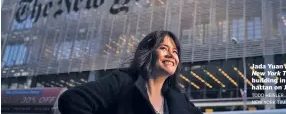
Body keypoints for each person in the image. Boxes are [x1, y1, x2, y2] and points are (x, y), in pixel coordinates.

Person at [58, 30, 202, 114]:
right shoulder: (123, 81)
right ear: (147, 53)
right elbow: (72, 99)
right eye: (164, 48)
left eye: (175, 51)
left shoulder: (178, 97)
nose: (171, 55)